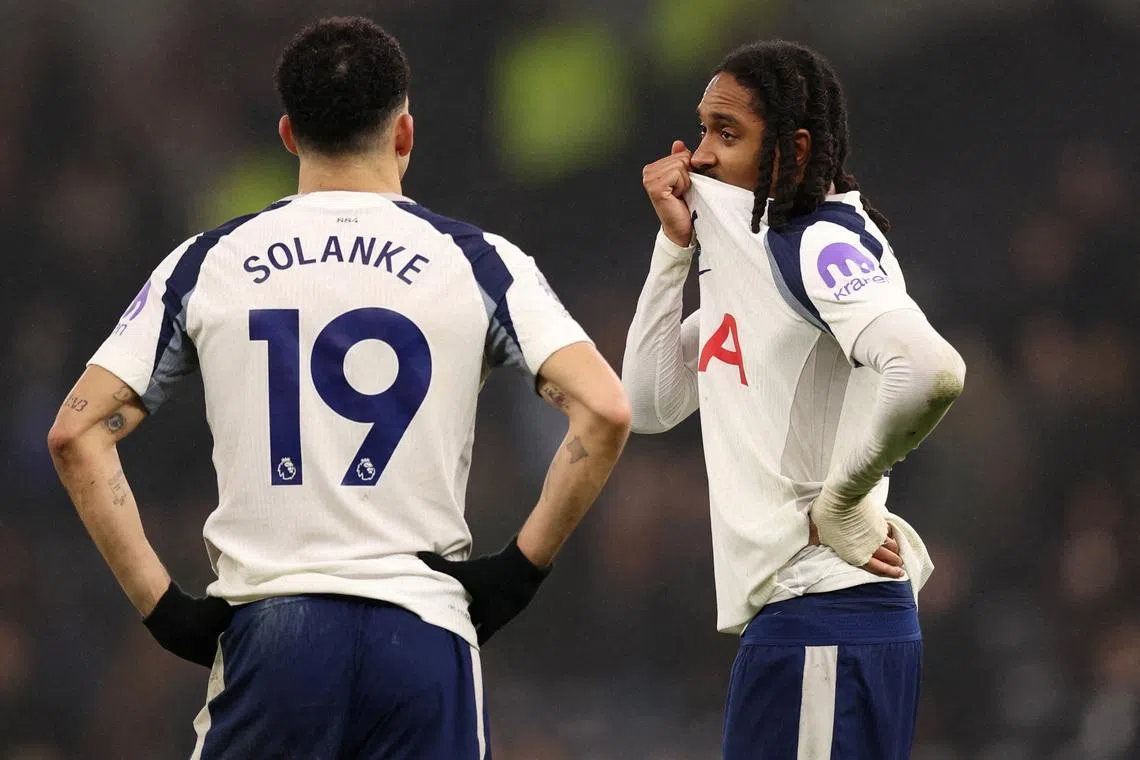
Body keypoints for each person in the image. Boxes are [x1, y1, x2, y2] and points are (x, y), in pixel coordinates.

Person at [47, 16, 630, 759]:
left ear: (288, 134)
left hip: (274, 633)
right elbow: (605, 408)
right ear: (405, 132)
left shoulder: (208, 261)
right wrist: (517, 572)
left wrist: (165, 611)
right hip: (424, 630)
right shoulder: (479, 261)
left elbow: (75, 433)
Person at [622, 41, 965, 758]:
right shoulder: (754, 260)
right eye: (702, 130)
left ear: (792, 147)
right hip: (804, 623)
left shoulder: (817, 243)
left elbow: (932, 370)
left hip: (827, 616)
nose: (700, 157)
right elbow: (649, 403)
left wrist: (843, 498)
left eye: (728, 133)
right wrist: (671, 249)